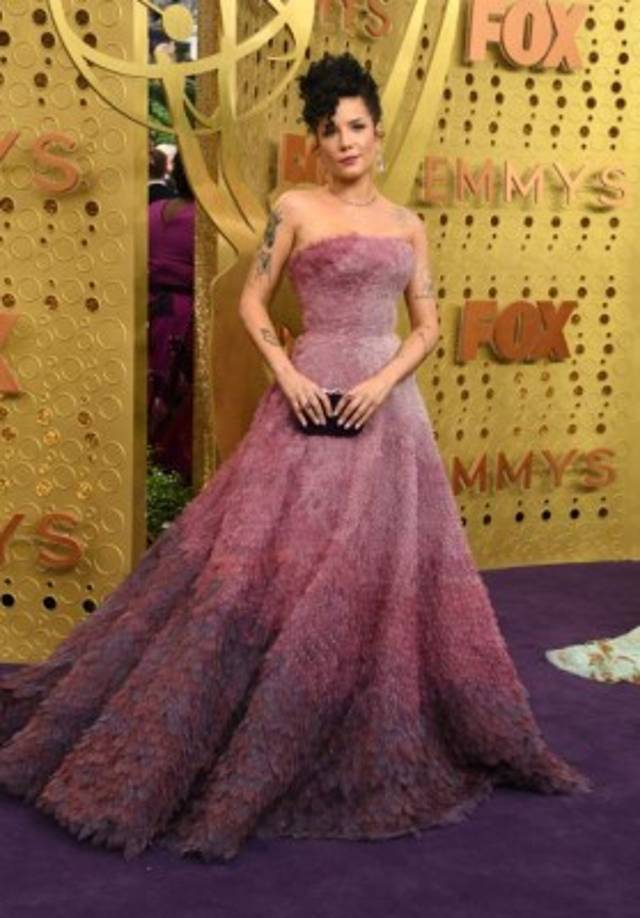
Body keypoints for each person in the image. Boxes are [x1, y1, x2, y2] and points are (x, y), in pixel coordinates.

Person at [0, 51, 592, 863]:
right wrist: (289, 372)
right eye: (328, 130)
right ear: (316, 142)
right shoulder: (295, 207)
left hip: (386, 413)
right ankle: (250, 719)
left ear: (377, 135)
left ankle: (349, 719)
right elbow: (249, 298)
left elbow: (424, 324)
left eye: (355, 126)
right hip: (305, 399)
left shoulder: (409, 225)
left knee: (373, 576)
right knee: (271, 568)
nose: (344, 141)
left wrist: (384, 383)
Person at [147, 150, 195, 484]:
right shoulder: (205, 222)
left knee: (150, 385)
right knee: (180, 394)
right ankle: (170, 469)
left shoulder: (152, 212)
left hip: (149, 309)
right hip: (185, 316)